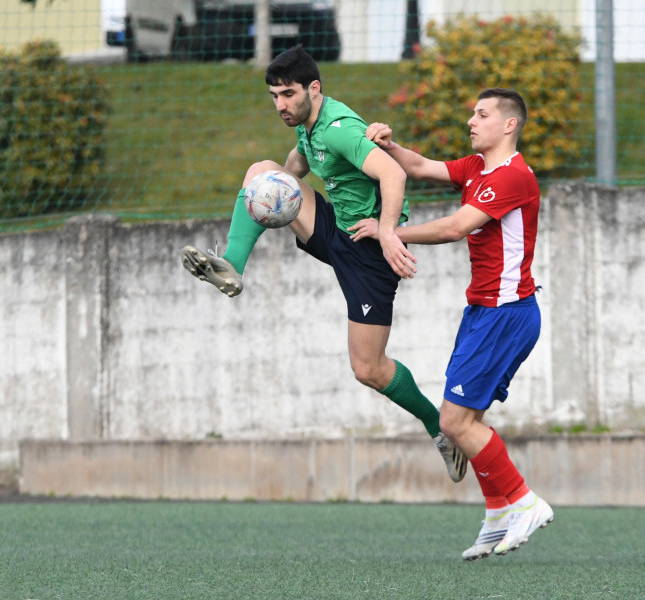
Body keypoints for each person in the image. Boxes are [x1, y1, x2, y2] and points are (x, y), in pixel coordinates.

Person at [180, 45, 467, 483]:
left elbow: (394, 174)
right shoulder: (308, 126)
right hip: (338, 230)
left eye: (289, 94)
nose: (281, 105)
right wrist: (273, 186)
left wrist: (389, 232)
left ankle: (440, 429)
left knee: (368, 369)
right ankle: (233, 266)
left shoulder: (337, 128)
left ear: (314, 88)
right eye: (274, 96)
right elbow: (294, 167)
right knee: (263, 170)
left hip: (371, 253)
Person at [349, 88, 553, 559]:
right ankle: (499, 512)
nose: (471, 120)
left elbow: (455, 227)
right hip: (487, 311)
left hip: (504, 314)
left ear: (509, 125)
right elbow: (420, 168)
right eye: (472, 113)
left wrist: (388, 232)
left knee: (454, 421)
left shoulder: (512, 176)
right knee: (468, 421)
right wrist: (387, 147)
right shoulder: (478, 168)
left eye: (482, 114)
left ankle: (524, 501)